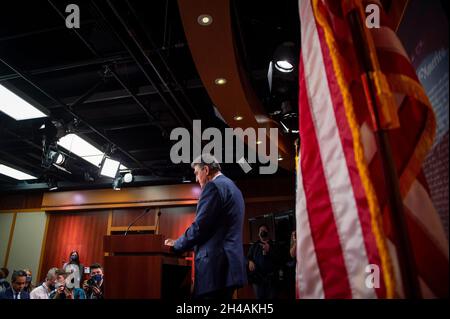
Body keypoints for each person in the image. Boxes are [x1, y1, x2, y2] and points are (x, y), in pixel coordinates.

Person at [165, 154, 247, 299]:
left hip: (214, 269)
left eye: (197, 173)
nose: (196, 179)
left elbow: (200, 228)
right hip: (230, 266)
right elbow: (216, 230)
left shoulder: (213, 187)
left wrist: (177, 244)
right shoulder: (235, 188)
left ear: (206, 170)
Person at [247, 224, 280, 299]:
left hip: (271, 280)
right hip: (257, 279)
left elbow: (279, 259)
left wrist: (269, 250)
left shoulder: (274, 245)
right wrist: (250, 261)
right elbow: (248, 257)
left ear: (268, 232)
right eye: (261, 231)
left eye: (264, 230)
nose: (262, 232)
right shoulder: (254, 246)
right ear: (258, 234)